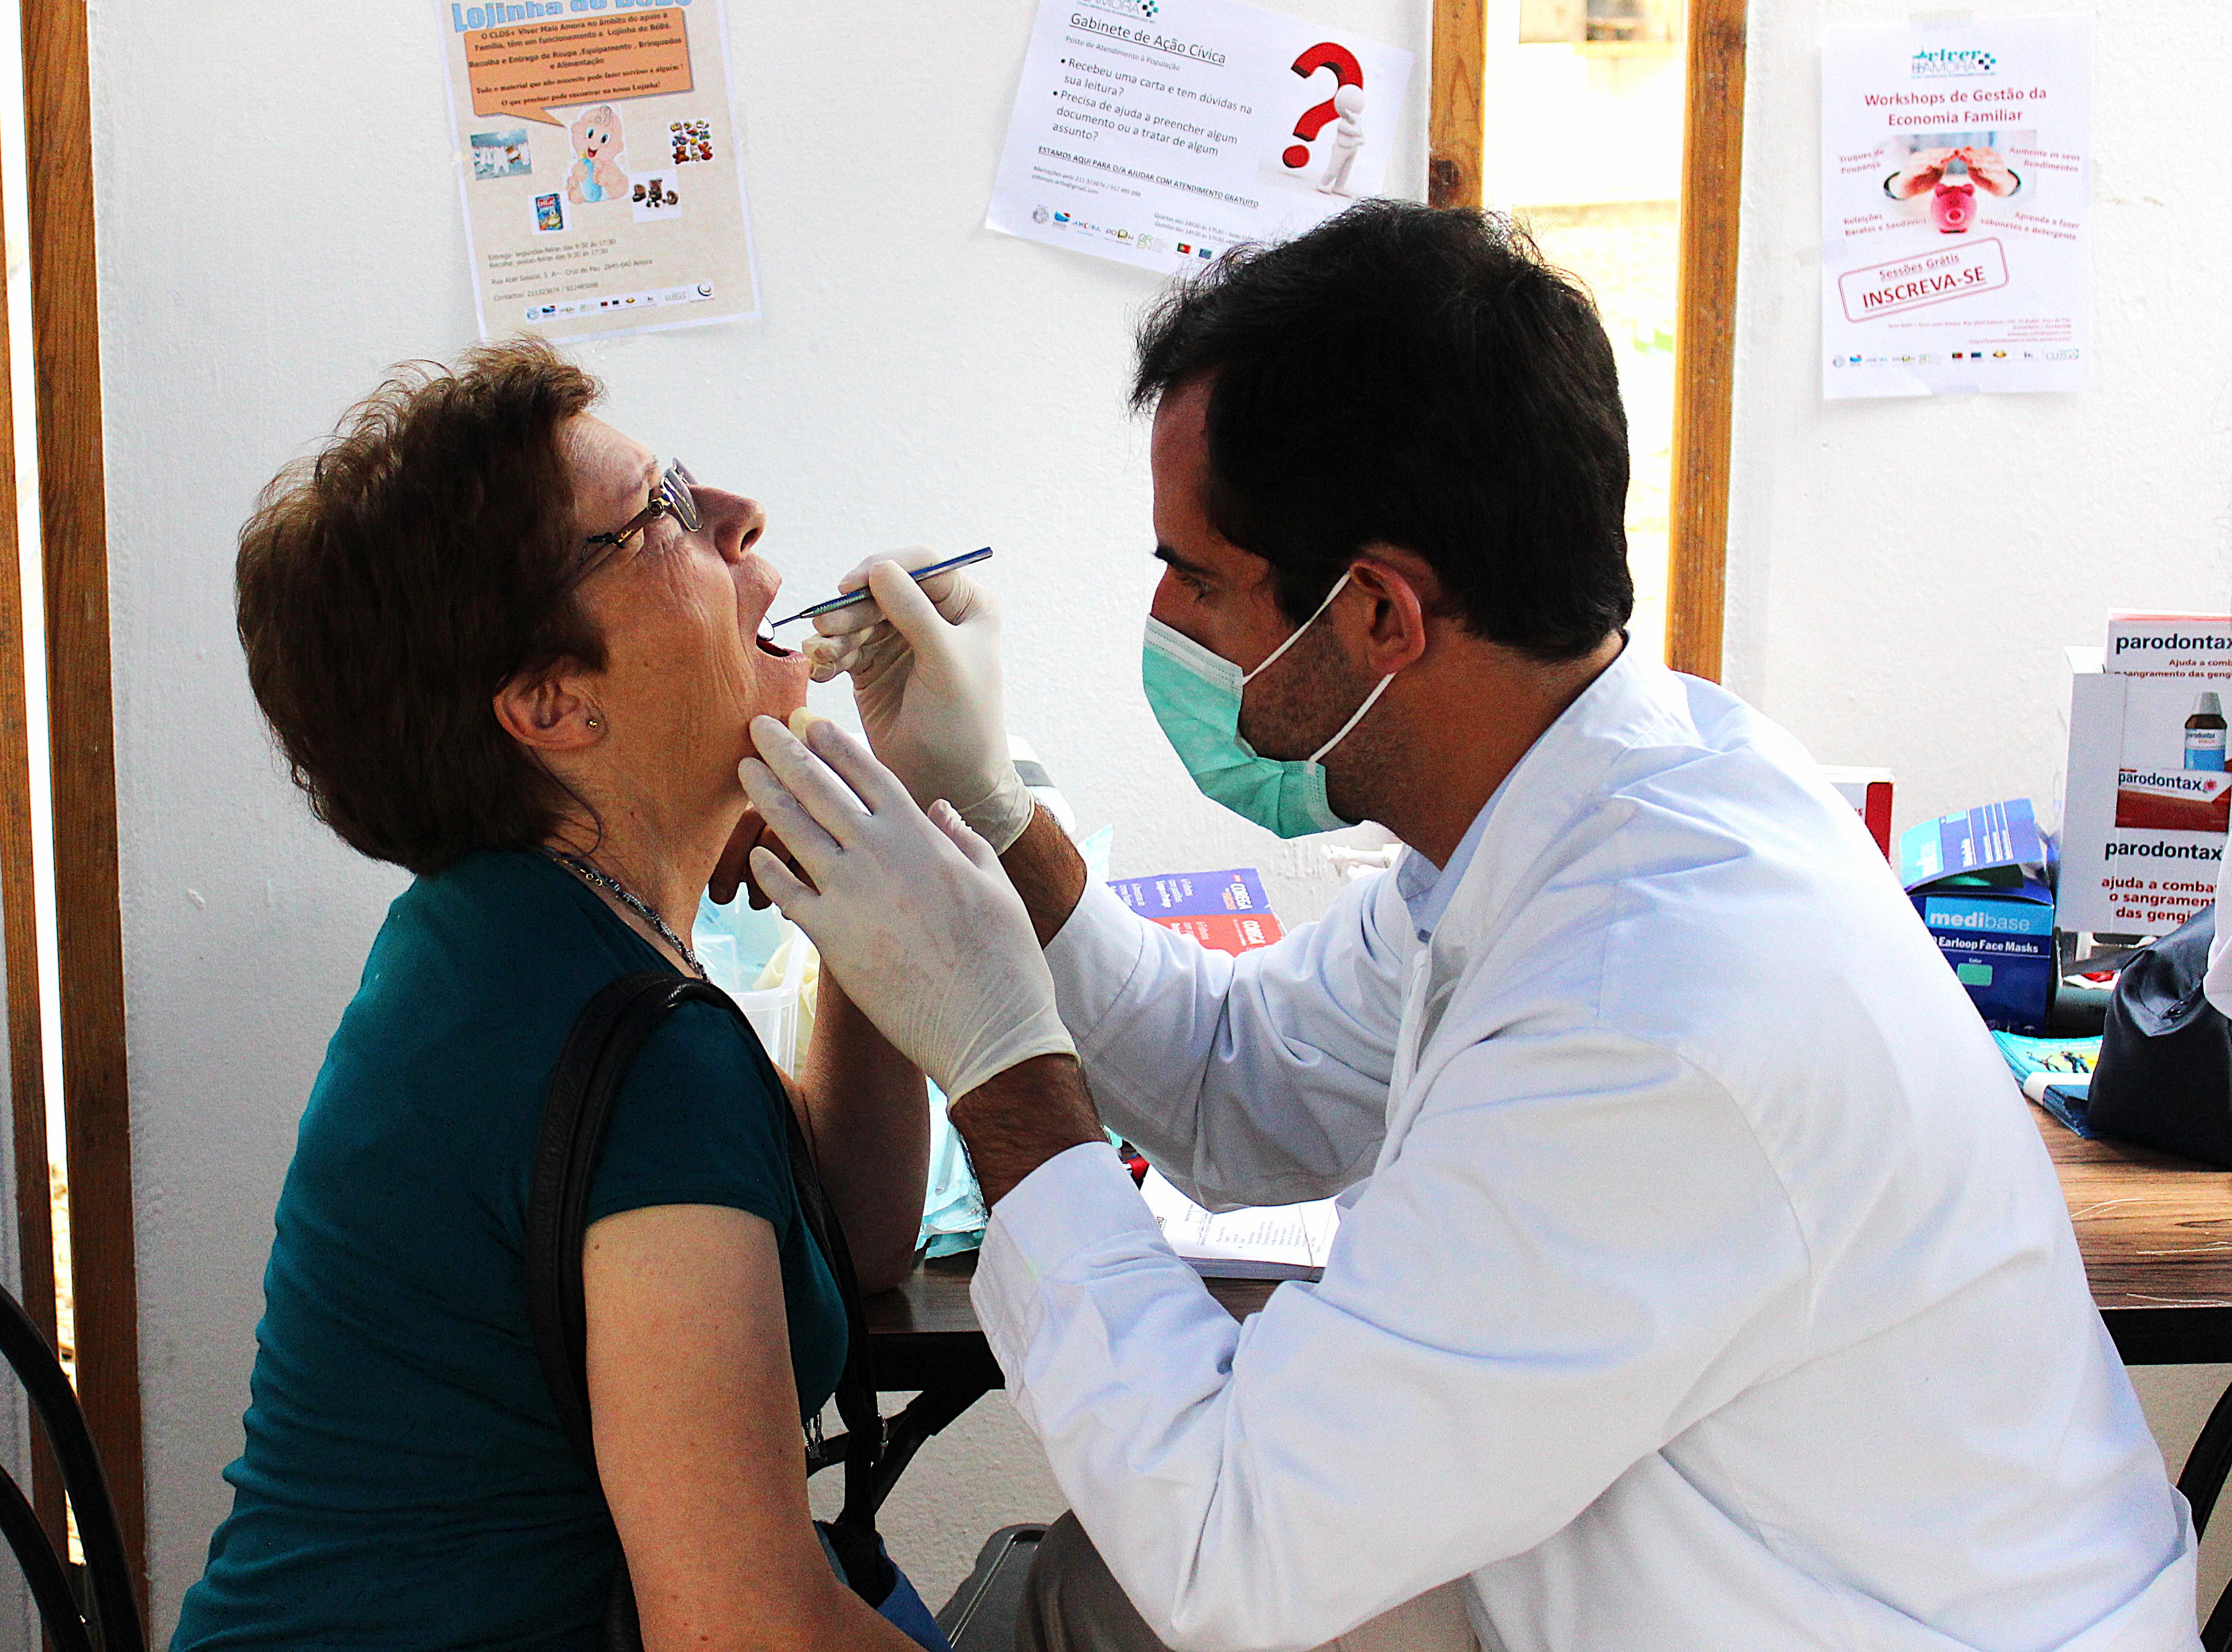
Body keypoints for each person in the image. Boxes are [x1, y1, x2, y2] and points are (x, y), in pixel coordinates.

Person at [730, 204, 2199, 1651]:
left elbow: (1233, 1546)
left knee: (1149, 1586)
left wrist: (1000, 1060)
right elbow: (1240, 1086)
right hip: (1692, 1575)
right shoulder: (1573, 810)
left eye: (1201, 578)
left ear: (1380, 613)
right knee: (1089, 1595)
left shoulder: (1652, 1011)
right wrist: (996, 815)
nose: (1168, 619)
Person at [171, 341, 943, 1652]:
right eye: (662, 512)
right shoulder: (626, 1044)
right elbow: (751, 1636)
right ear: (550, 702)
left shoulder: (509, 933)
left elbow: (854, 1233)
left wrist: (862, 878)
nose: (738, 513)